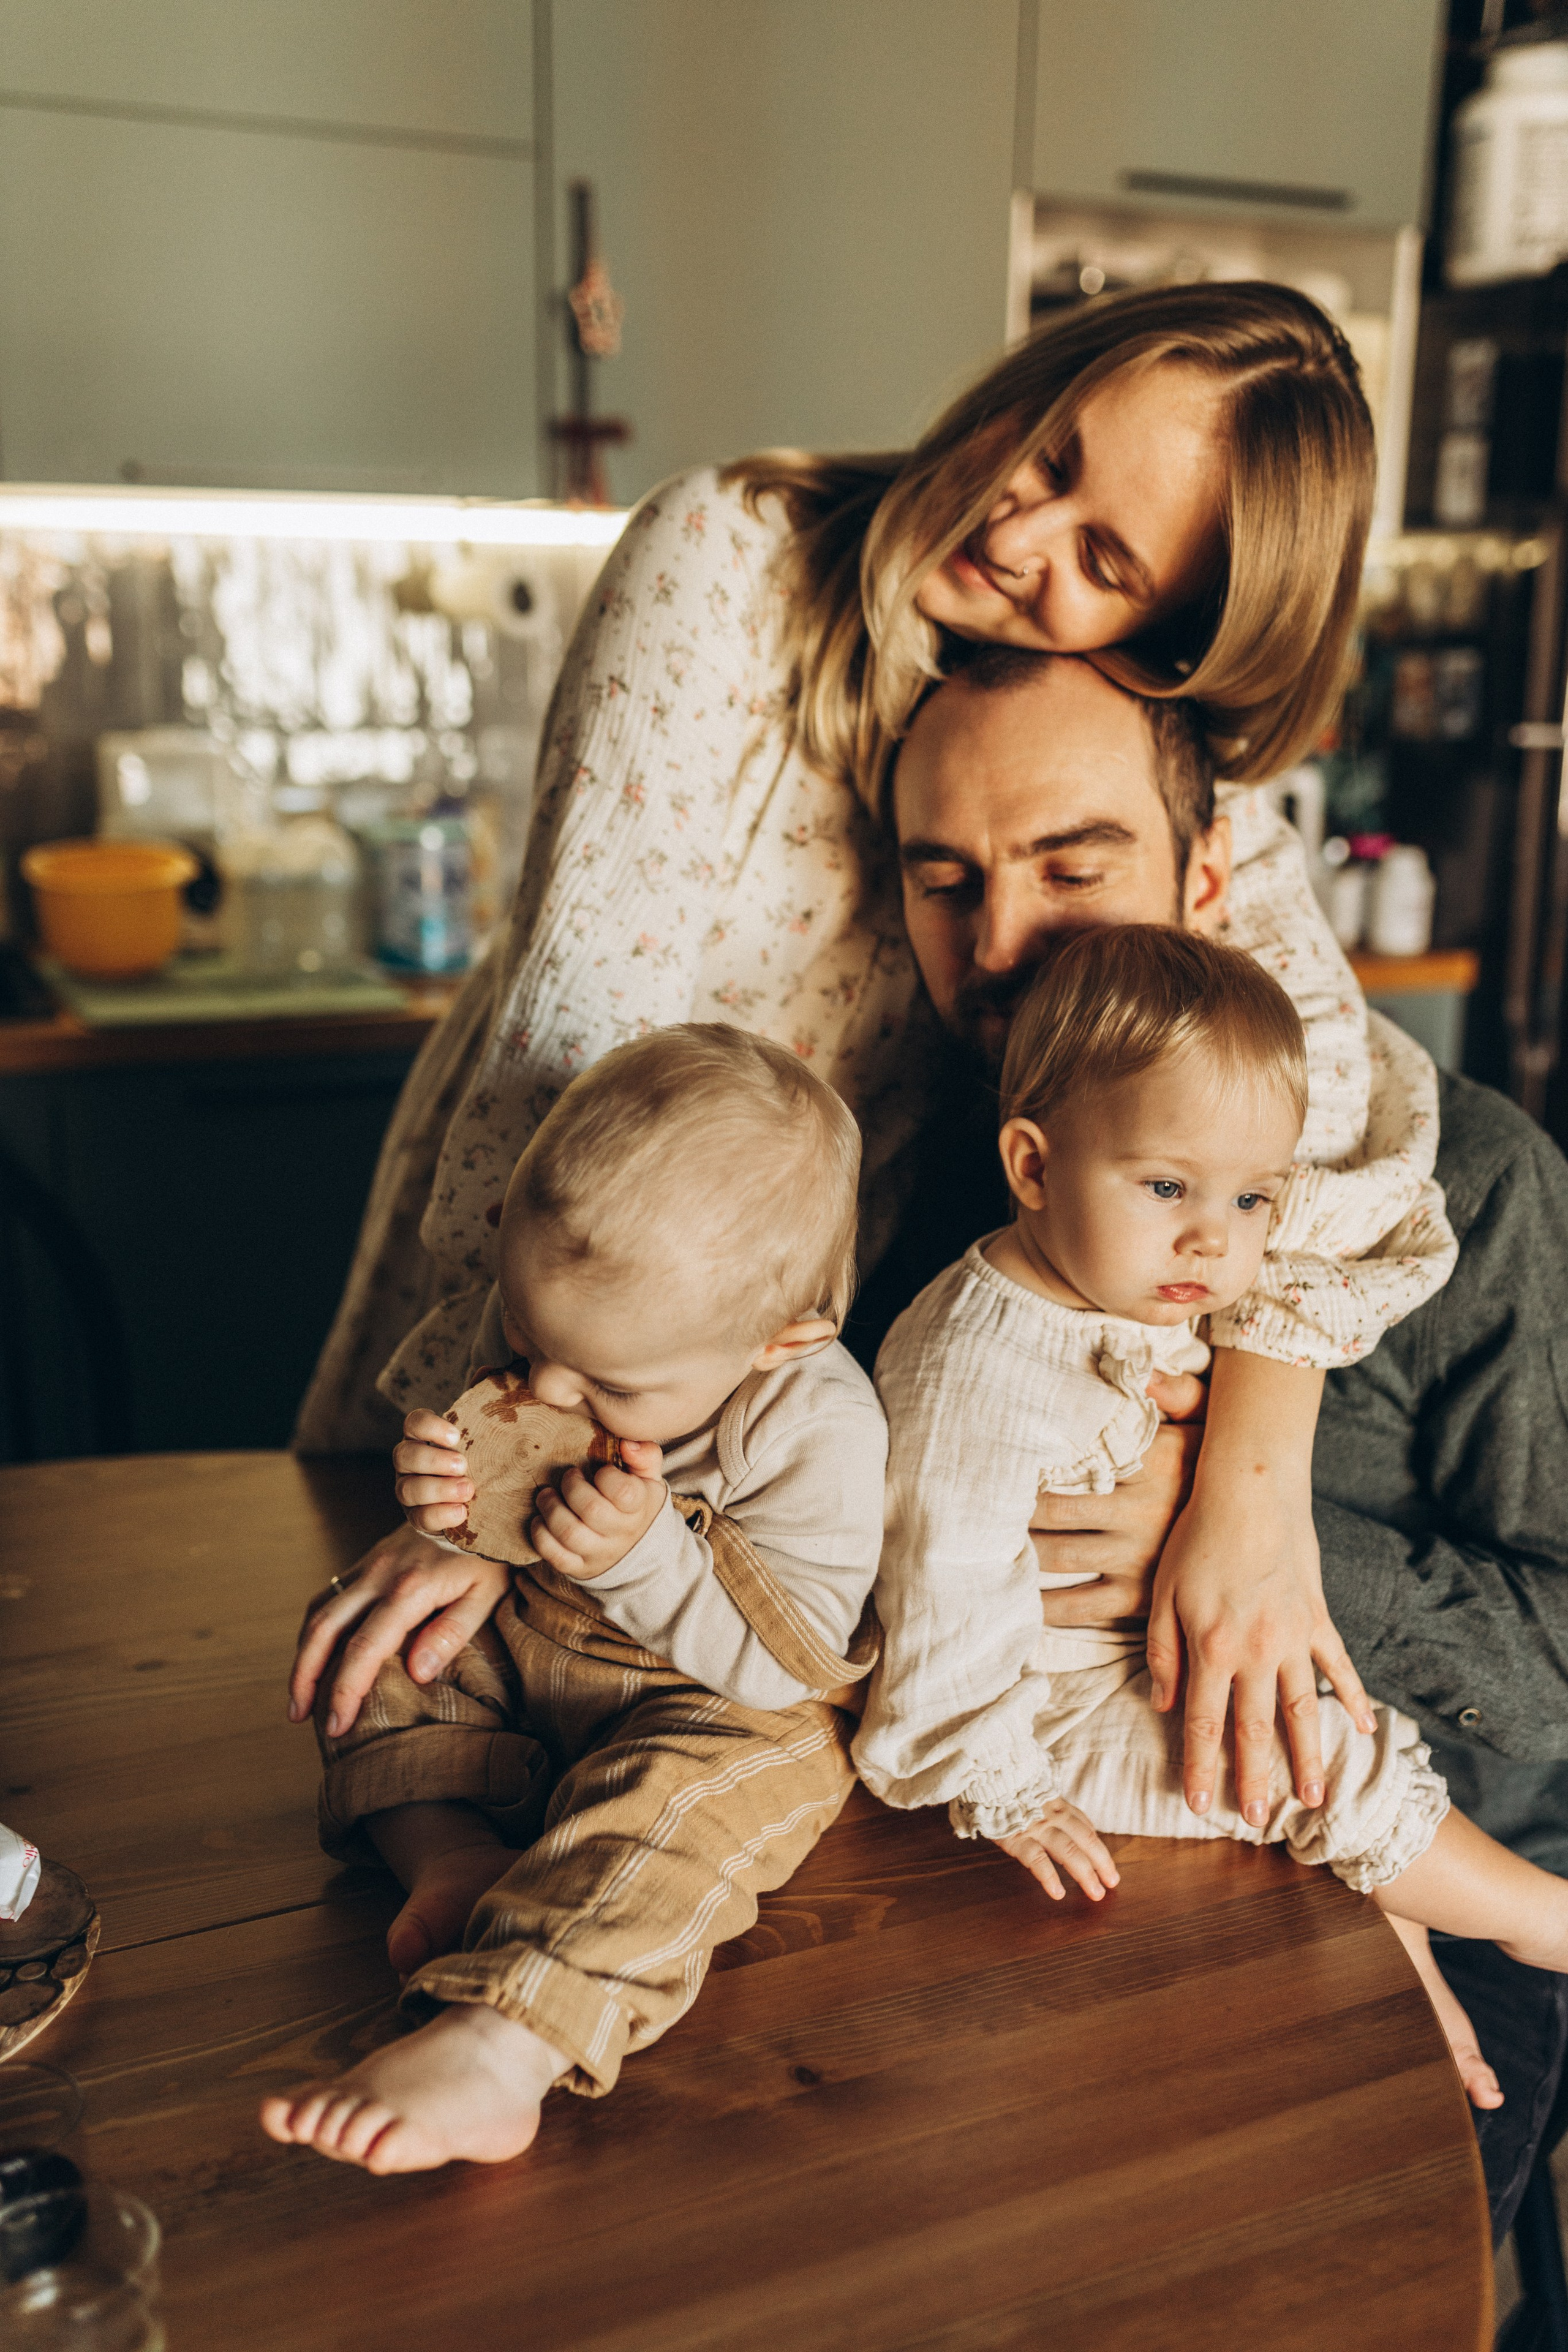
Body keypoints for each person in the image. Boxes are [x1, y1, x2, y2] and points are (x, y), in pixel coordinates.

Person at [294, 281, 1412, 1812]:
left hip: (749, 1442)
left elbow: (1327, 1112)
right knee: (402, 1773)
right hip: (514, 1332)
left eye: (1101, 560)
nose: (1018, 532)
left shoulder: (1141, 760)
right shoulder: (726, 558)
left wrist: (1249, 1496)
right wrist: (495, 1456)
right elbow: (558, 1059)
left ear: (1165, 645)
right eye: (1055, 447)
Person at [855, 922, 1562, 2113]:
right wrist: (997, 1782)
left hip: (1131, 1674)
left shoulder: (1113, 1266)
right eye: (1169, 1189)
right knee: (1307, 1757)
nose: (1212, 1238)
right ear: (1028, 1168)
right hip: (1038, 1730)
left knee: (1318, 1730)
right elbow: (933, 1591)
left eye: (1250, 1199)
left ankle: (1448, 1921)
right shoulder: (977, 1362)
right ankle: (1538, 1921)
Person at [262, 1026, 886, 2173]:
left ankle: (506, 2043)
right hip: (527, 1639)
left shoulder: (814, 1426)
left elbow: (783, 1663)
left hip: (707, 1693)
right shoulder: (553, 1317)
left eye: (607, 1385)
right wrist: (438, 1507)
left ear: (781, 1338)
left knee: (678, 1816)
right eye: (524, 1339)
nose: (545, 1391)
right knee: (384, 1654)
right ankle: (444, 1849)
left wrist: (643, 1554)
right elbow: (463, 1507)